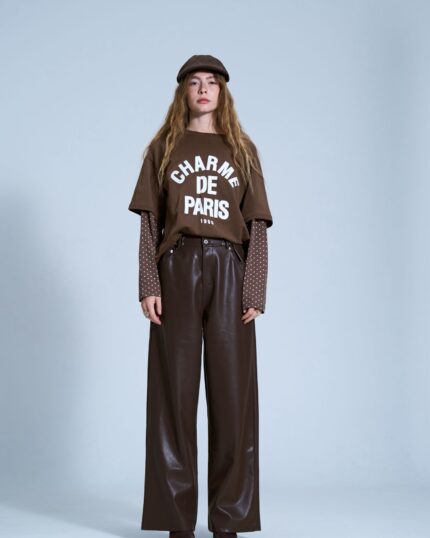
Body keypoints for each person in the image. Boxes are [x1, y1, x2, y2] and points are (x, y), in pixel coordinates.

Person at [128, 54, 274, 538]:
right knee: (173, 397)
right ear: (184, 92)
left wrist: (255, 287)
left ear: (223, 92)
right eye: (195, 82)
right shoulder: (164, 147)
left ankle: (228, 519)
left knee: (233, 399)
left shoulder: (243, 149)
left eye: (212, 82)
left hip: (230, 269)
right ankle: (177, 523)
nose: (204, 89)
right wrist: (149, 284)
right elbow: (150, 222)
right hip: (178, 266)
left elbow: (256, 225)